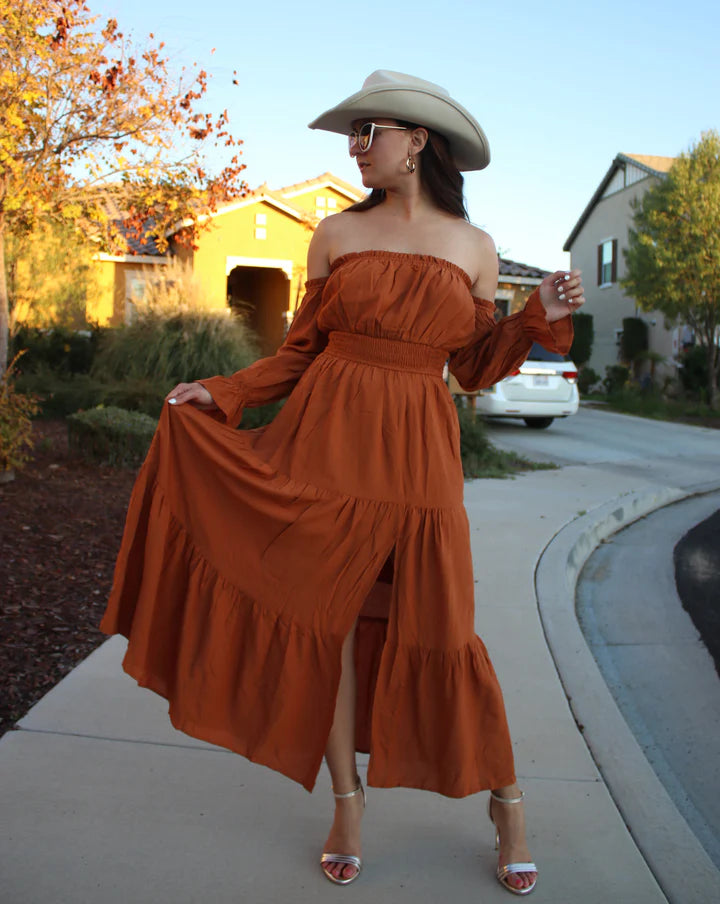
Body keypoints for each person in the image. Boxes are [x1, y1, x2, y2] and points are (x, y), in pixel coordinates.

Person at [101, 70, 585, 896]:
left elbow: (471, 369)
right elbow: (300, 353)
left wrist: (537, 313)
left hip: (418, 462)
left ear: (417, 141)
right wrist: (223, 393)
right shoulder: (333, 234)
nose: (356, 147)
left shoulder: (474, 247)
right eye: (351, 135)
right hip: (323, 452)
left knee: (445, 634)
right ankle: (347, 807)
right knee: (325, 632)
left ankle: (507, 806)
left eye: (369, 132)